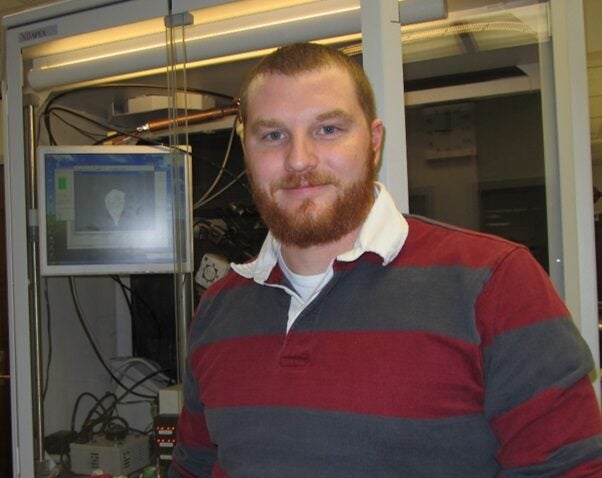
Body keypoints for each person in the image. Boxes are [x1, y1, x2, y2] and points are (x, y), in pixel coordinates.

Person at [169, 42, 602, 477]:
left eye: (328, 129)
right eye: (273, 135)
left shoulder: (495, 282)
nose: (299, 159)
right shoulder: (218, 310)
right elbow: (194, 467)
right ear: (248, 151)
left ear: (373, 142)